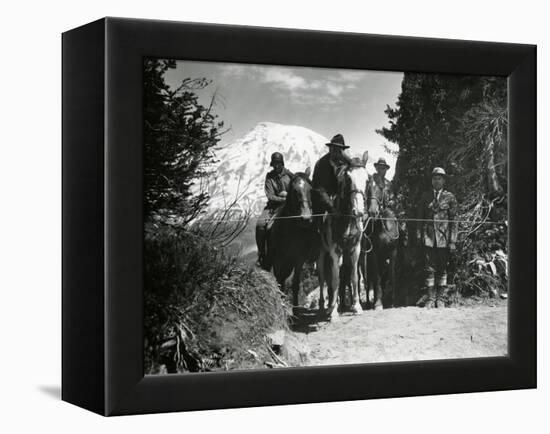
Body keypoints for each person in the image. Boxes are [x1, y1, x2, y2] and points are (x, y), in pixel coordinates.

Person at [416, 167, 458, 308]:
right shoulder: (425, 196)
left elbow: (454, 221)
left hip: (443, 239)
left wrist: (452, 241)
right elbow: (419, 219)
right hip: (429, 238)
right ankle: (430, 299)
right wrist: (419, 236)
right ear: (431, 180)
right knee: (429, 268)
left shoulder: (450, 197)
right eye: (434, 178)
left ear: (444, 180)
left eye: (439, 178)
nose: (436, 180)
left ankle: (440, 299)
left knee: (442, 268)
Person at [255, 152, 293, 268]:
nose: (276, 166)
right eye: (274, 164)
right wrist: (283, 199)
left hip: (290, 206)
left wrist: (289, 199)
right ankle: (262, 253)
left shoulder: (290, 175)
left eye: (278, 163)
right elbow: (270, 196)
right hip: (272, 207)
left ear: (282, 163)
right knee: (260, 225)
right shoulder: (269, 177)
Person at [311, 134, 353, 219]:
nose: (336, 151)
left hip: (338, 204)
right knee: (318, 223)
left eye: (339, 149)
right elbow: (320, 189)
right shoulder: (322, 164)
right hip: (321, 202)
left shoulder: (345, 163)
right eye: (334, 148)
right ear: (330, 148)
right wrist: (331, 208)